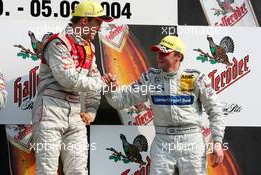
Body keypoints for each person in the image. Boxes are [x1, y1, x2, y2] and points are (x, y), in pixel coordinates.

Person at [102, 35, 225, 175]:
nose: (159, 56)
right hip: (163, 142)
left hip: (192, 141)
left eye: (164, 53)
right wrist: (111, 90)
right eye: (158, 52)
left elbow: (215, 110)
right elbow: (122, 100)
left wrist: (217, 142)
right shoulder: (151, 79)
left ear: (178, 56)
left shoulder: (195, 78)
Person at [32, 1, 113, 174]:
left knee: (78, 170)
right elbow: (68, 80)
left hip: (76, 112)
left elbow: (94, 79)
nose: (99, 28)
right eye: (97, 23)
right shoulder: (58, 43)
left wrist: (91, 110)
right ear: (84, 22)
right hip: (50, 110)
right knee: (47, 170)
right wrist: (100, 82)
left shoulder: (89, 47)